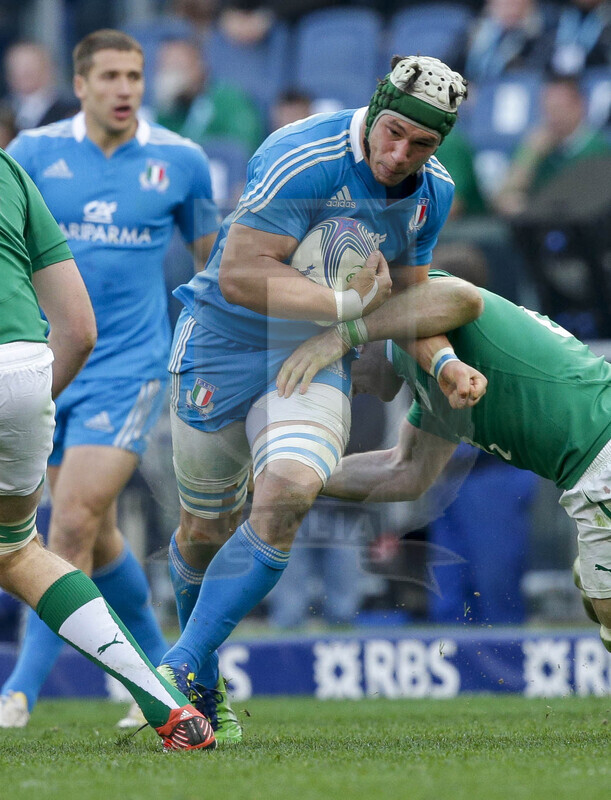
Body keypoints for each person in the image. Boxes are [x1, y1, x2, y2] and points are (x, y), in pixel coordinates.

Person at [156, 54, 484, 731]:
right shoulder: (301, 155)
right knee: (202, 530)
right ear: (374, 109)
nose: (399, 154)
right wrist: (342, 306)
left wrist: (444, 361)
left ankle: (176, 665)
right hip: (222, 343)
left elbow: (412, 303)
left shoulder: (434, 192)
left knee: (290, 487)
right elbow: (243, 276)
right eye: (392, 132)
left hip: (308, 358)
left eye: (420, 144)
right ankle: (202, 688)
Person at [0, 29, 223, 734]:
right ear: (82, 81)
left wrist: (210, 360)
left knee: (65, 522)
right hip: (44, 366)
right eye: (111, 77)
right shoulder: (31, 155)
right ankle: (159, 671)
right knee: (93, 539)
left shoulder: (179, 163)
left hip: (125, 369)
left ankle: (19, 693)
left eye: (136, 75)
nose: (126, 88)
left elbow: (210, 270)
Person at [276, 270, 611, 653]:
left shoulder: (415, 316)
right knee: (596, 595)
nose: (350, 389)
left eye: (335, 373)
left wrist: (342, 334)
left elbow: (465, 297)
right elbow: (404, 471)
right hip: (597, 465)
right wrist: (292, 478)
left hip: (603, 459)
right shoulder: (428, 376)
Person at [492, 72, 611, 217]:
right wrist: (528, 158)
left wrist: (530, 208)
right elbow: (501, 198)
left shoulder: (598, 150)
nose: (553, 116)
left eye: (559, 108)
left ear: (579, 106)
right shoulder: (536, 147)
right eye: (548, 109)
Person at [152, 36, 265, 156]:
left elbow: (243, 147)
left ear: (199, 66)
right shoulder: (167, 109)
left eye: (178, 66)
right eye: (165, 67)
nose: (171, 76)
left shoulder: (228, 100)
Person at [2, 41, 79, 131]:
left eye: (29, 66)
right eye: (16, 67)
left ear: (48, 68)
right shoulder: (4, 110)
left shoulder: (70, 113)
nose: (23, 72)